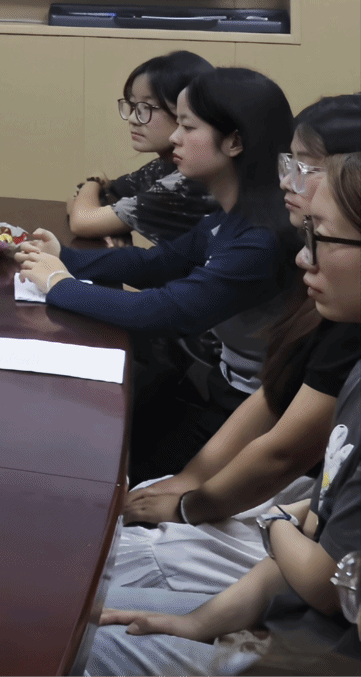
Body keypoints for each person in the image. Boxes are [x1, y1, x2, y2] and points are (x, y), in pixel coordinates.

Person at [89, 160, 361, 674]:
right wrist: (203, 621)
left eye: (321, 236)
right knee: (77, 610)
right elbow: (317, 528)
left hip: (312, 648)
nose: (303, 256)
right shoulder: (355, 373)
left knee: (81, 631)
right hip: (292, 611)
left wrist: (273, 522)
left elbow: (323, 574)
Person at [19, 67, 302, 483]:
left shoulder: (261, 237)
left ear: (235, 141)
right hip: (223, 386)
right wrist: (65, 257)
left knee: (110, 464)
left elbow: (168, 311)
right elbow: (159, 263)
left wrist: (60, 285)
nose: (174, 139)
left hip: (254, 408)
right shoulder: (234, 213)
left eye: (187, 127)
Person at [68, 50, 217, 243]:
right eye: (132, 106)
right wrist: (114, 227)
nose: (132, 118)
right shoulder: (163, 166)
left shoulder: (189, 181)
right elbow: (78, 203)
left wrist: (94, 180)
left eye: (146, 108)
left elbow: (81, 221)